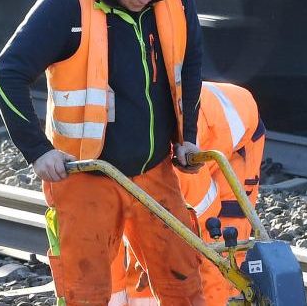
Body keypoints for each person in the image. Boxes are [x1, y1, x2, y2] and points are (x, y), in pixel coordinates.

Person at [0, 0, 207, 305]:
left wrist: (187, 135)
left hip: (153, 172)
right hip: (87, 176)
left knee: (184, 283)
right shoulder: (67, 2)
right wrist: (38, 151)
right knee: (84, 293)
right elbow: (5, 74)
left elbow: (190, 63)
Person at [111, 81, 265, 306]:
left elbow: (204, 245)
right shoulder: (107, 163)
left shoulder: (181, 172)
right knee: (148, 241)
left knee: (223, 243)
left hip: (239, 140)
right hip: (194, 126)